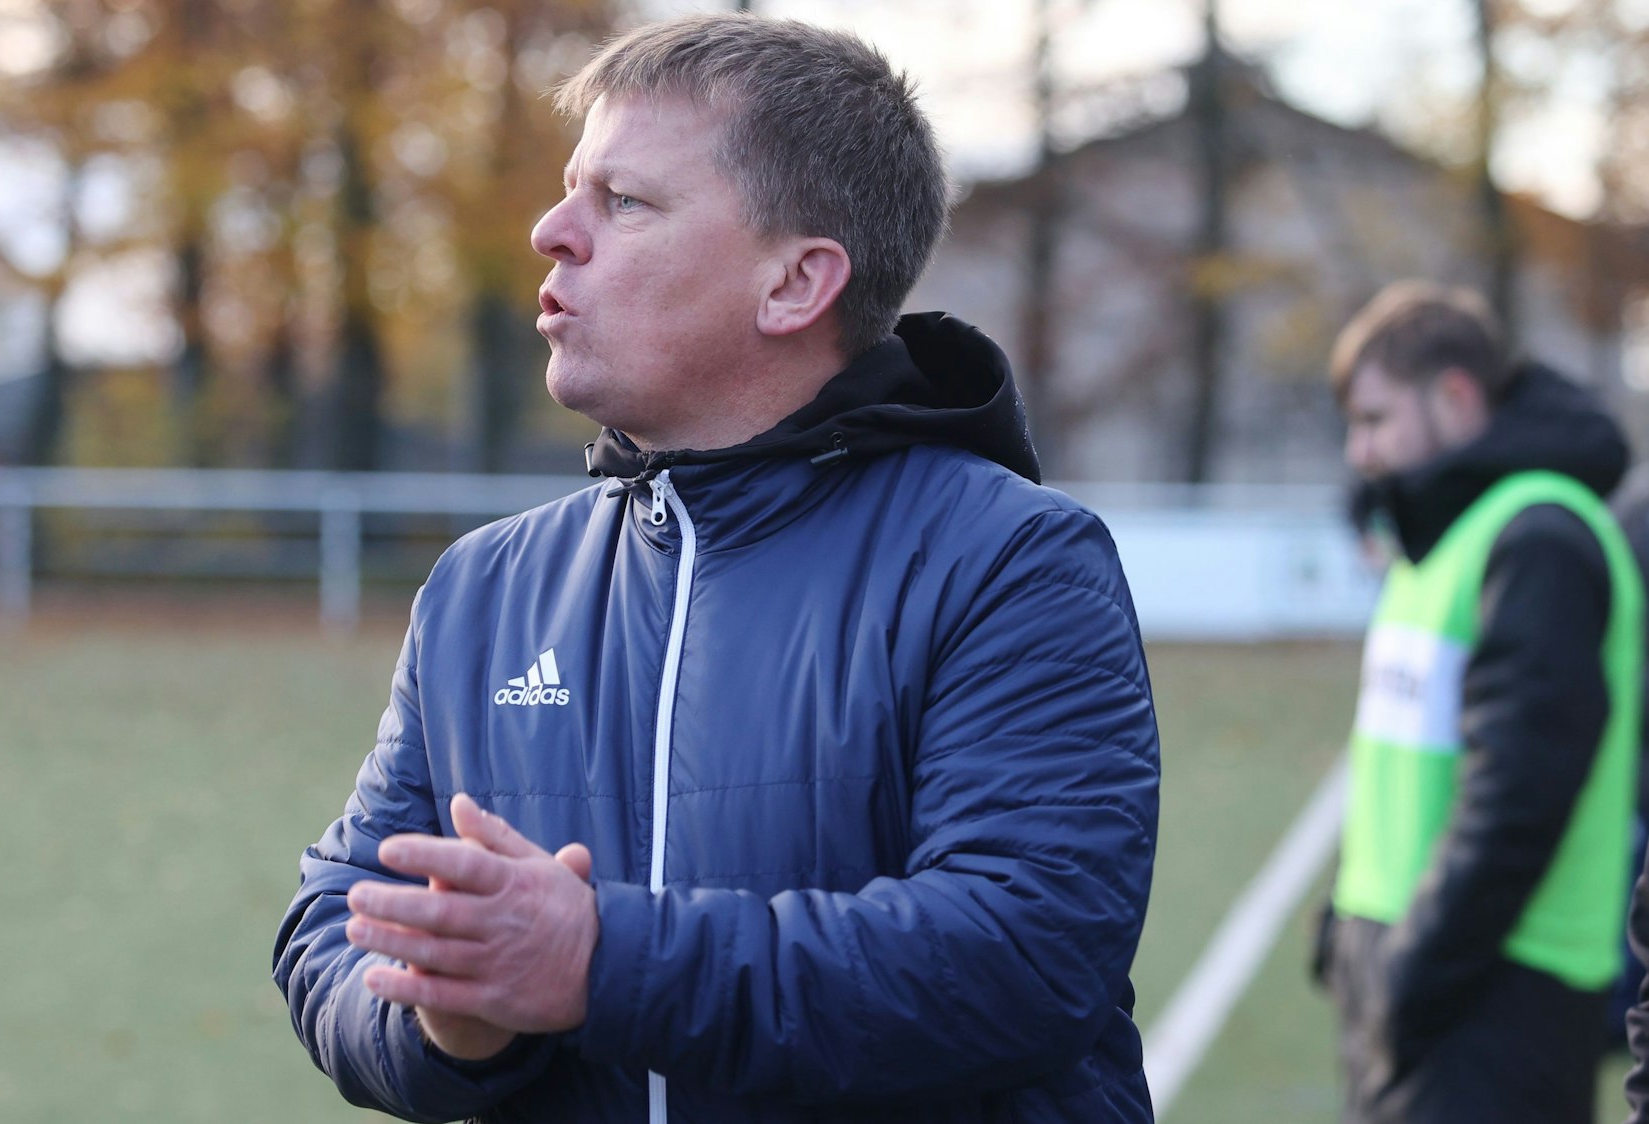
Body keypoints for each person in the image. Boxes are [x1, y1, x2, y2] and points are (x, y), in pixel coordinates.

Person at [271, 14, 1160, 1122]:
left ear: (794, 284)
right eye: (568, 190)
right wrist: (439, 1012)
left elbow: (1022, 957)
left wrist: (599, 959)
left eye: (625, 201)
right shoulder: (484, 586)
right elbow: (335, 920)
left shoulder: (1013, 563)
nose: (553, 231)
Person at [1318, 281, 1642, 1124]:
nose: (1360, 451)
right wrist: (1348, 931)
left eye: (1377, 419)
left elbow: (1518, 797)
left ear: (1456, 397)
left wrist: (1409, 976)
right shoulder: (1444, 538)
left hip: (1494, 1003)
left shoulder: (1538, 536)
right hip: (1425, 994)